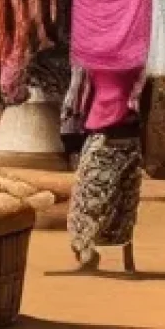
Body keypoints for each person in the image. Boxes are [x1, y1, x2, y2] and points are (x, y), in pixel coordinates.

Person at [67, 68, 148, 273]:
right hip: (131, 137)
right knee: (125, 200)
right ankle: (127, 260)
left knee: (85, 199)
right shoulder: (139, 63)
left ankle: (86, 251)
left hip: (104, 134)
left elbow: (78, 100)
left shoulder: (93, 63)